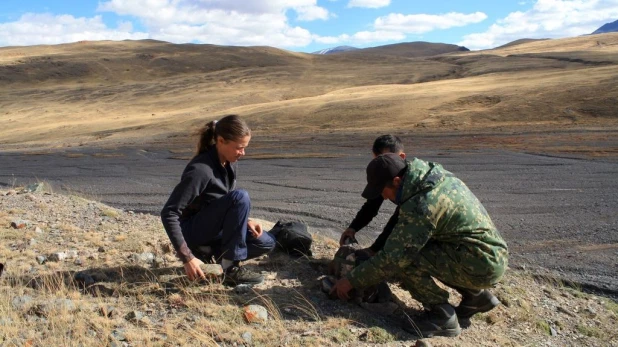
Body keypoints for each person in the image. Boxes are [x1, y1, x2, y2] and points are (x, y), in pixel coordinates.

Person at [331, 153, 508, 338]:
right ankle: (475, 297)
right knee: (420, 245)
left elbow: (394, 258)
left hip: (480, 263)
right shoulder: (432, 177)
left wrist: (351, 280)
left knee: (406, 259)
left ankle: (442, 316)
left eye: (382, 190)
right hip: (486, 255)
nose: (382, 197)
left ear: (397, 181)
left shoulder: (422, 203)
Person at [161, 115, 275, 286]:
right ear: (221, 141)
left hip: (213, 228)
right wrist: (187, 257)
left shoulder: (229, 162)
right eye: (239, 148)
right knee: (241, 196)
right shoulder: (200, 171)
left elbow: (222, 202)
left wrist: (245, 221)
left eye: (244, 148)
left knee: (266, 242)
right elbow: (169, 212)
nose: (243, 153)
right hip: (192, 231)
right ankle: (230, 269)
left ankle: (211, 253)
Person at [339, 135, 405, 256]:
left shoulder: (414, 188)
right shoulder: (385, 172)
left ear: (401, 157)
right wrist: (353, 228)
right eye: (378, 159)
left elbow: (399, 220)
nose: (383, 162)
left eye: (388, 157)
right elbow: (372, 205)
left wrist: (373, 251)